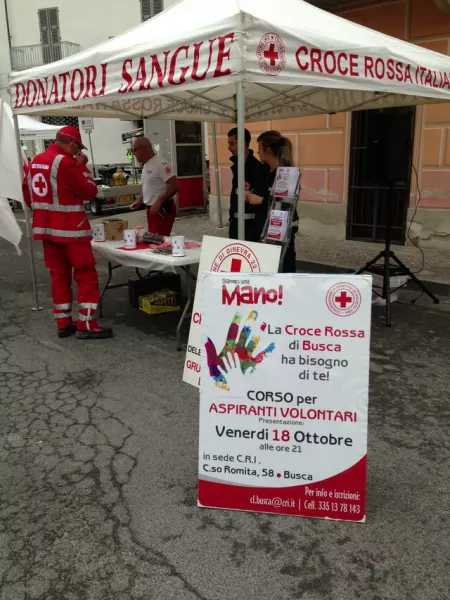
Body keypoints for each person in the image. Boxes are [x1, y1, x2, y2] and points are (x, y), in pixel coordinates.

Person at [22, 125, 113, 340]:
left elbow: (27, 193)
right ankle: (86, 323)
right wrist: (82, 167)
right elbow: (89, 191)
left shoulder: (35, 161)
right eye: (77, 148)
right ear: (72, 143)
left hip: (46, 230)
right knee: (86, 275)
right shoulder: (66, 162)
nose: (77, 152)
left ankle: (63, 321)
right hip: (72, 230)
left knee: (58, 277)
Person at [246, 130, 299, 273]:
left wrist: (261, 200)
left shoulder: (286, 173)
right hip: (262, 233)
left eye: (259, 149)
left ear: (268, 149)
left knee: (282, 279)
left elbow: (286, 206)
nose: (257, 152)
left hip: (280, 237)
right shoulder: (264, 172)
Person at [129, 137, 180, 235]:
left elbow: (175, 185)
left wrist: (159, 201)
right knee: (152, 240)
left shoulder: (160, 163)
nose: (133, 154)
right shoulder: (146, 164)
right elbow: (148, 186)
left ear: (145, 148)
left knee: (158, 241)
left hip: (162, 210)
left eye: (135, 150)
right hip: (152, 209)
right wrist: (140, 201)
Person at [227, 127, 266, 242]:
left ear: (242, 144)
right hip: (236, 227)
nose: (229, 148)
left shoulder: (257, 168)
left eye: (232, 144)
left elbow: (258, 202)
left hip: (250, 231)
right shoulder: (237, 165)